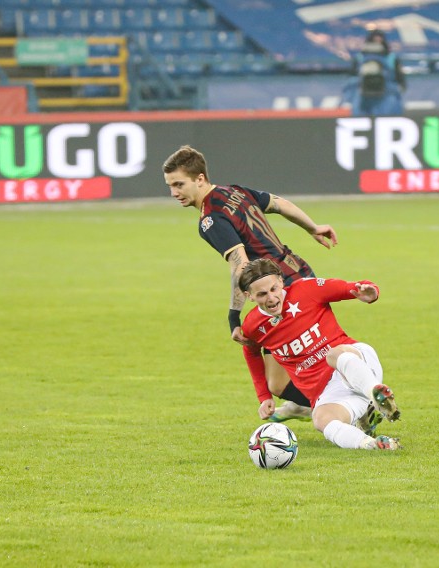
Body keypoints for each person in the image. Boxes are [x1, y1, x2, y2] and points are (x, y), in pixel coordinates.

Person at [162, 145, 338, 422]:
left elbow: (241, 265)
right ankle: (311, 405)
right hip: (298, 271)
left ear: (199, 178)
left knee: (282, 381)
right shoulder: (235, 191)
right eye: (170, 186)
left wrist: (234, 317)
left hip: (281, 292)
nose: (174, 192)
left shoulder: (211, 219)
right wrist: (313, 227)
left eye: (179, 184)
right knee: (290, 370)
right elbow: (280, 204)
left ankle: (348, 407)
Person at [239, 258, 401, 450]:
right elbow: (252, 354)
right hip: (328, 391)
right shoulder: (252, 325)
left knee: (332, 354)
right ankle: (371, 444)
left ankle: (376, 394)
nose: (271, 298)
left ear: (281, 281)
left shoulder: (306, 290)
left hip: (356, 363)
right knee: (321, 419)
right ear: (249, 296)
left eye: (274, 289)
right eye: (262, 294)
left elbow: (350, 287)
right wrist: (264, 396)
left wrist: (370, 292)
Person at [343, 28, 406, 116]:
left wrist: (398, 87)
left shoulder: (392, 58)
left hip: (386, 93)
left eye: (379, 40)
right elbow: (351, 79)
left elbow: (400, 80)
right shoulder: (359, 58)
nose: (377, 43)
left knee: (386, 119)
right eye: (374, 40)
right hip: (362, 95)